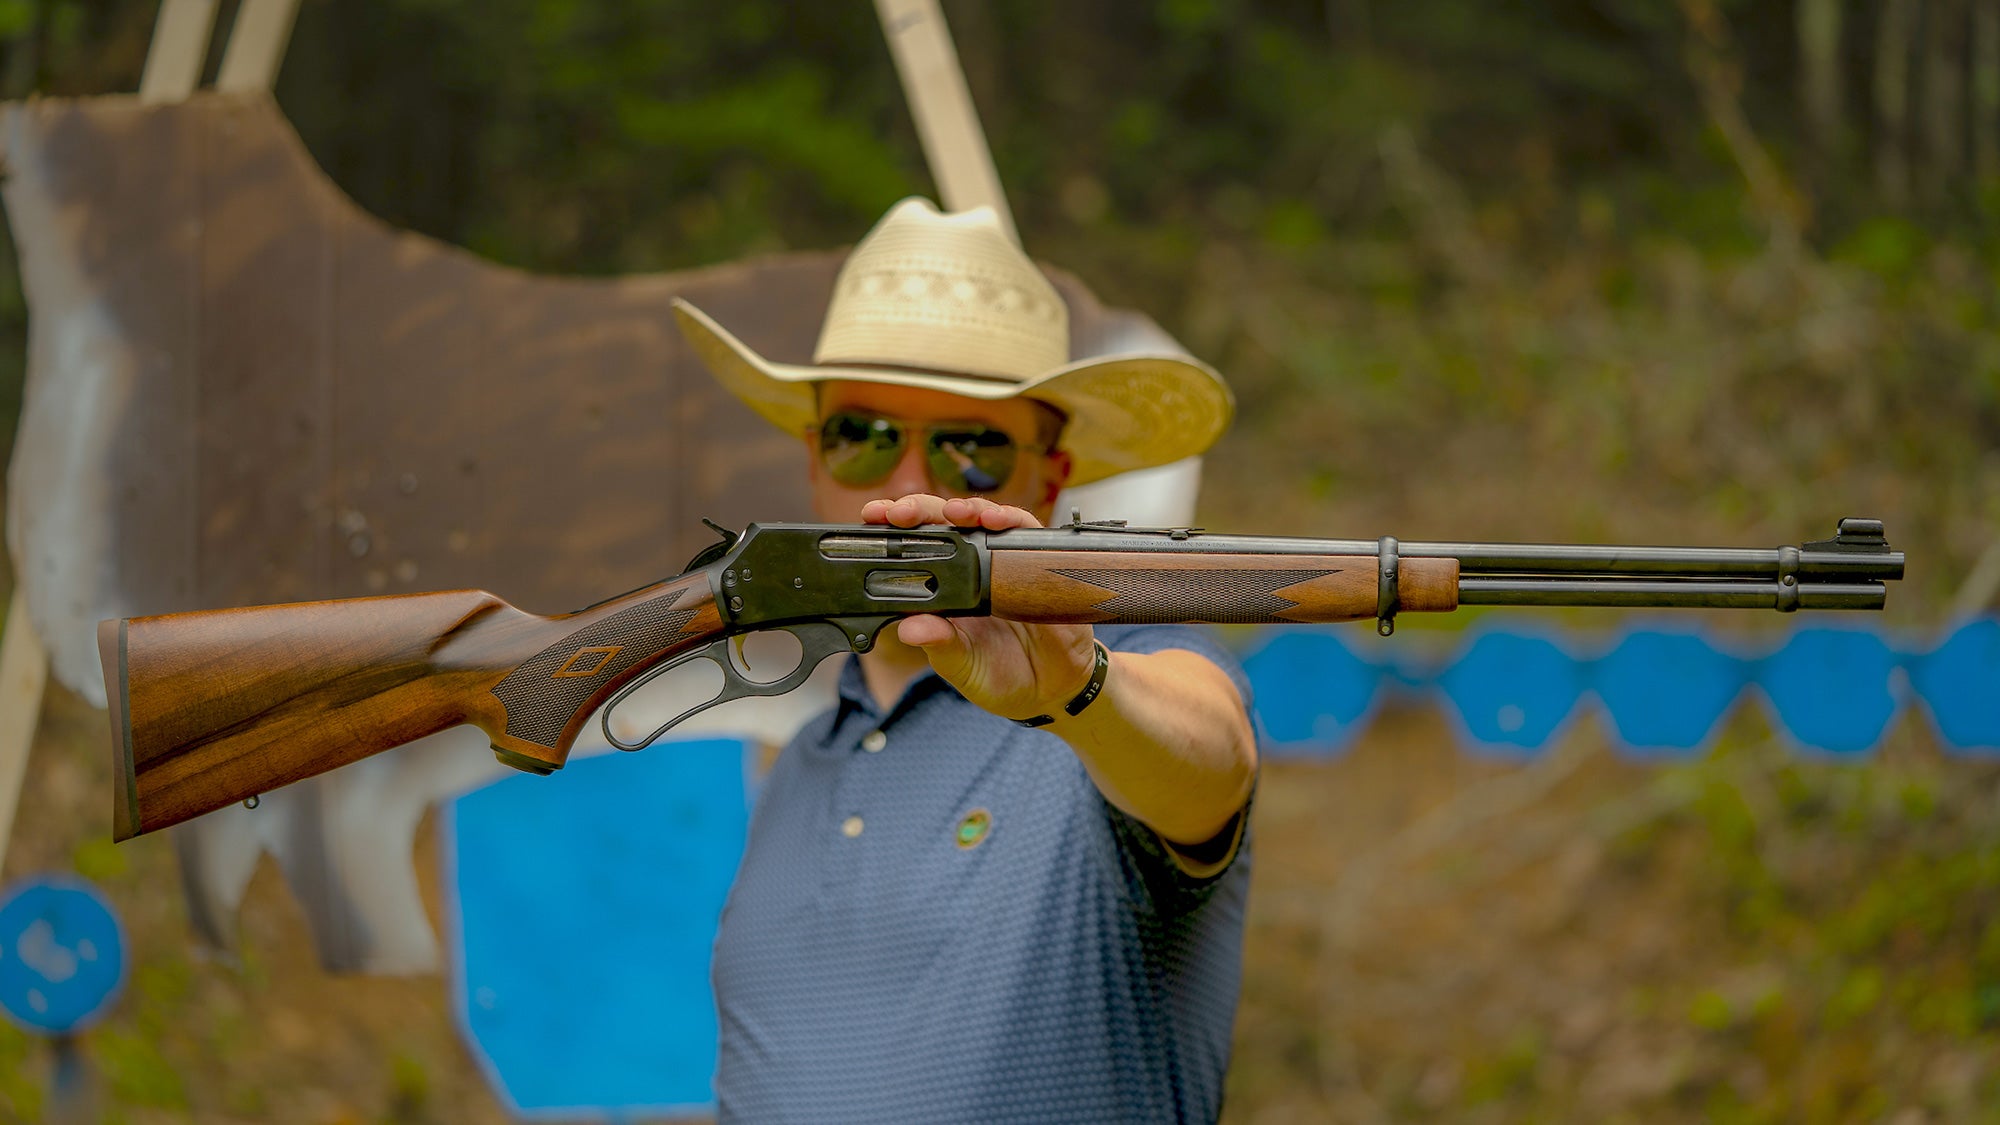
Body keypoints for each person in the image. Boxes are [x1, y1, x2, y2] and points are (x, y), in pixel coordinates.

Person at [671, 197, 1258, 1123]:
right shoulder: (804, 760)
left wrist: (1079, 688)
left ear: (1049, 479)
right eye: (863, 438)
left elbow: (1209, 759)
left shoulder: (1122, 675)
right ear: (815, 461)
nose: (911, 485)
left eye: (971, 446)